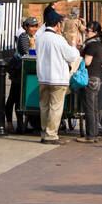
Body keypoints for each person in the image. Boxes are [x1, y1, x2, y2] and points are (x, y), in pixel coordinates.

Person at [36, 12, 81, 145]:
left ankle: (44, 133)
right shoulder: (58, 39)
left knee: (44, 106)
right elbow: (72, 56)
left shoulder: (40, 38)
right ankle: (51, 135)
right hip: (57, 78)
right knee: (55, 107)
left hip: (43, 77)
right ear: (58, 24)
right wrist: (74, 46)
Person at [7, 16, 40, 131]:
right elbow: (26, 52)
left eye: (36, 26)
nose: (34, 29)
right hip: (19, 72)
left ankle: (21, 124)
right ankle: (11, 123)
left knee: (21, 98)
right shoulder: (23, 37)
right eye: (32, 26)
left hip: (27, 72)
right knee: (14, 98)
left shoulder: (34, 37)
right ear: (25, 27)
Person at [80, 21, 102, 143]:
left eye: (88, 30)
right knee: (93, 108)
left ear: (95, 32)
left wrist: (78, 58)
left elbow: (87, 62)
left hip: (89, 79)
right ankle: (94, 134)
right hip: (96, 78)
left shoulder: (91, 45)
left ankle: (90, 135)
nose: (86, 32)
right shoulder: (98, 44)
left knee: (89, 108)